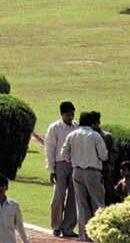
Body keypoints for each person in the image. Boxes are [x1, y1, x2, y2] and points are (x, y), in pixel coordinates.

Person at [62, 110, 110, 239]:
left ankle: (84, 235)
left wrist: (73, 160)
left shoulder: (72, 135)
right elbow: (104, 155)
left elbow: (64, 154)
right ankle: (100, 234)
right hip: (92, 171)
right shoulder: (95, 136)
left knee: (81, 204)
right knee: (98, 202)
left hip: (76, 171)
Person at [44, 100, 77, 235]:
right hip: (60, 164)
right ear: (62, 114)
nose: (71, 118)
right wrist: (51, 170)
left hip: (74, 164)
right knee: (58, 196)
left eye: (72, 115)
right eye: (68, 115)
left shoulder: (77, 127)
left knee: (73, 197)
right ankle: (56, 226)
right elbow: (49, 150)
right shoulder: (54, 128)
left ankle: (68, 228)